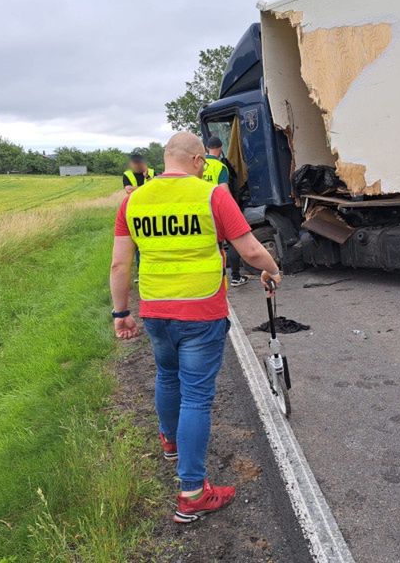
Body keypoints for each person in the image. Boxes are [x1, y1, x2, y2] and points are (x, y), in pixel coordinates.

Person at [110, 131, 281, 524]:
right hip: (201, 312)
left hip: (155, 311)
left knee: (167, 377)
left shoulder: (134, 200)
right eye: (203, 161)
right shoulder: (212, 195)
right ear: (198, 160)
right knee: (197, 398)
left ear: (165, 158)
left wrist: (122, 314)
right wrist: (273, 270)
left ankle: (170, 442)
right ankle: (191, 492)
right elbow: (250, 250)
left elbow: (120, 265)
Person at [203, 136, 248, 287]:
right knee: (232, 242)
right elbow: (225, 192)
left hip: (201, 212)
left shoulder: (198, 166)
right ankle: (235, 277)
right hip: (217, 211)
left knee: (212, 246)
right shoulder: (220, 167)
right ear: (221, 148)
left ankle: (212, 278)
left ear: (206, 148)